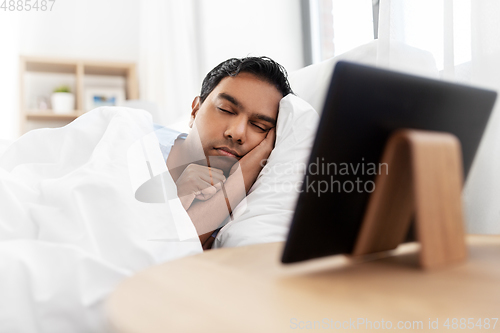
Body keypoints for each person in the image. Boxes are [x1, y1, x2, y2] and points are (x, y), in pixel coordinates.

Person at [161, 56, 293, 248]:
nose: (237, 133)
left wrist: (244, 174)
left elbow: (169, 251)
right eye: (226, 110)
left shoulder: (246, 210)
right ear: (195, 110)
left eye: (259, 126)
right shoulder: (131, 143)